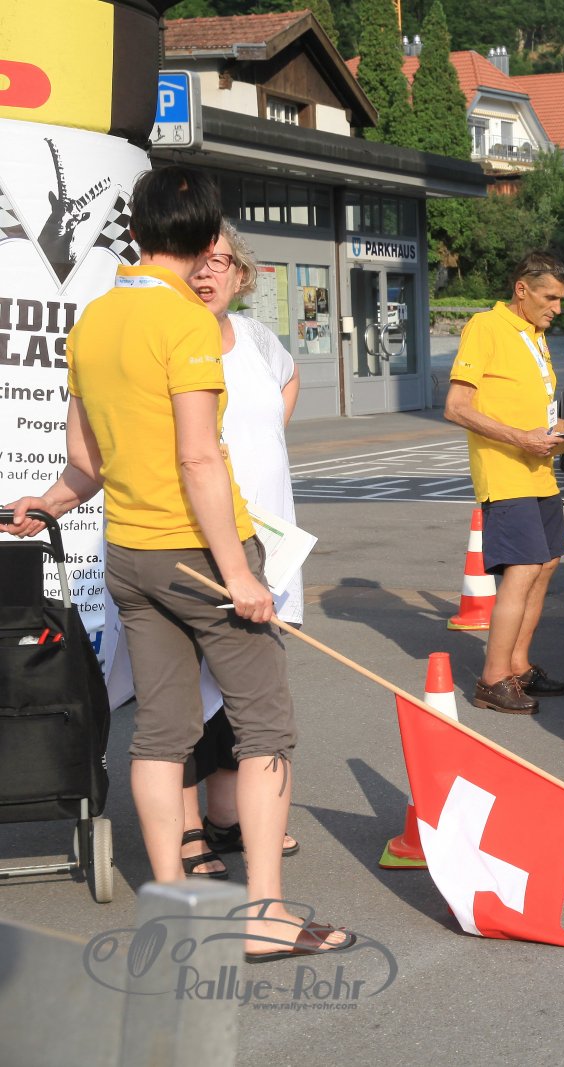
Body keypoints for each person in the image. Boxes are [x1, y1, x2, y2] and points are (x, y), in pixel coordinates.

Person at [1, 167, 348, 961]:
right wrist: (240, 574)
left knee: (160, 732)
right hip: (198, 555)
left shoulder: (94, 319)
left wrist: (47, 503)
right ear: (203, 237)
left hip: (129, 554)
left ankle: (175, 907)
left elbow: (84, 460)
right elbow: (199, 459)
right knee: (265, 726)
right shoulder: (187, 323)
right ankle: (265, 916)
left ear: (136, 232)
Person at [178, 221, 302, 879]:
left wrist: (265, 444)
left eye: (219, 261)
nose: (207, 272)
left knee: (248, 692)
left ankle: (230, 817)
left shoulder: (255, 338)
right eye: (196, 260)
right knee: (182, 691)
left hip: (265, 539)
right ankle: (188, 830)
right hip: (194, 540)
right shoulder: (170, 335)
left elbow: (288, 379)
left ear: (241, 274)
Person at [444, 251, 564, 714]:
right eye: (550, 297)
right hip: (505, 472)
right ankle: (492, 679)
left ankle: (518, 665)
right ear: (521, 290)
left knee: (546, 565)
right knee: (523, 568)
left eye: (561, 299)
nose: (558, 308)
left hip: (538, 471)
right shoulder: (486, 327)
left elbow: (536, 417)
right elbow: (457, 407)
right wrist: (520, 439)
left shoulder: (535, 335)